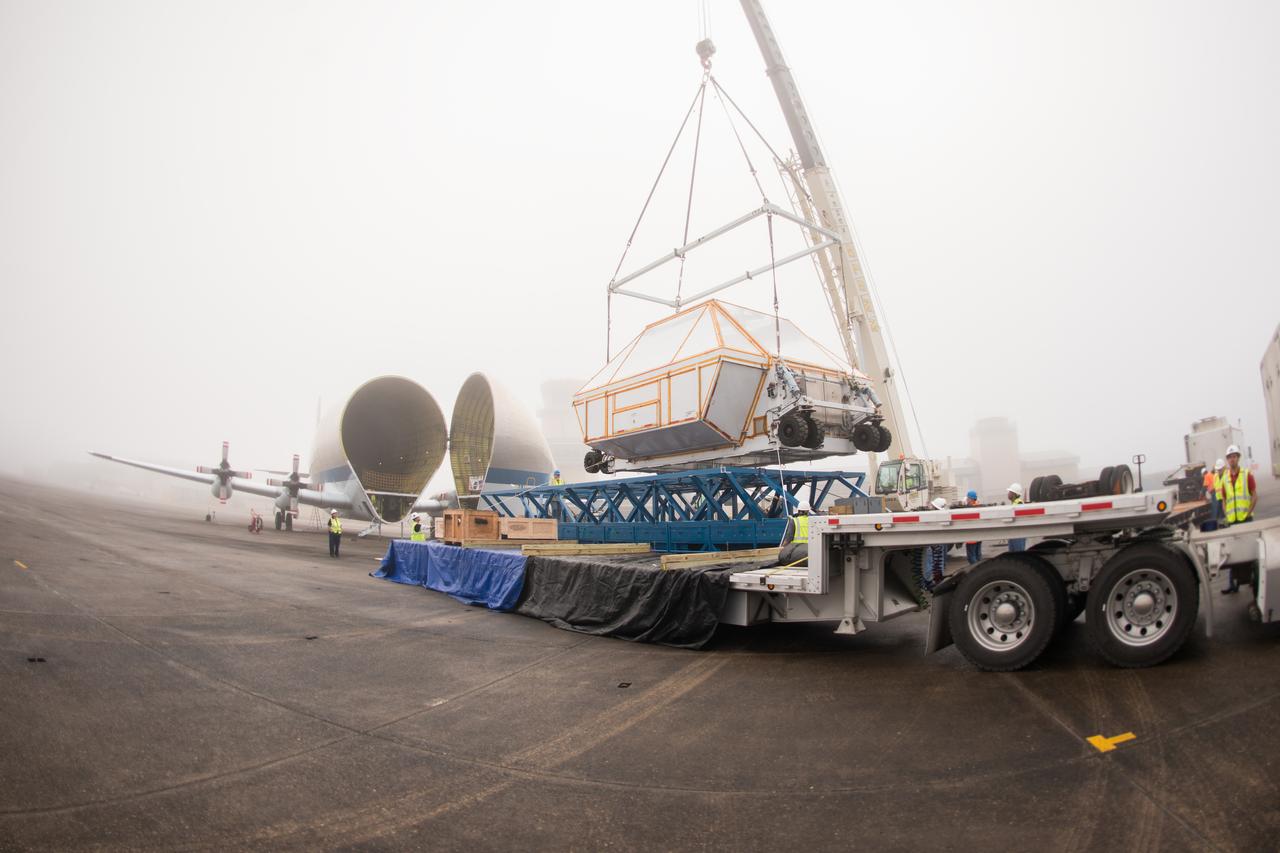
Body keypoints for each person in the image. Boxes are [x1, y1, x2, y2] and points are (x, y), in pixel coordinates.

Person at [1216, 445, 1257, 593]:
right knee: (1232, 554)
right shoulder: (1225, 478)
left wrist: (1248, 512)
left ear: (1238, 458)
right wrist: (1226, 514)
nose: (1232, 459)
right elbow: (1224, 500)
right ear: (1227, 460)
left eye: (1234, 456)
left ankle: (1254, 579)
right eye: (1230, 457)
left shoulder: (1247, 475)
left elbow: (1254, 495)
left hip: (1245, 520)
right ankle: (1233, 585)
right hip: (1232, 521)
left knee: (1250, 551)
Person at [779, 498, 812, 566]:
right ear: (808, 511)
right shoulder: (813, 521)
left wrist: (782, 548)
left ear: (798, 510)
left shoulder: (794, 521)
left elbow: (789, 537)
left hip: (796, 550)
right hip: (809, 550)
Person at [963, 490, 983, 565]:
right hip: (979, 536)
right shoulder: (978, 506)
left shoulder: (970, 508)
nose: (967, 500)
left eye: (968, 498)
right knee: (978, 555)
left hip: (971, 537)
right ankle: (980, 569)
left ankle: (975, 570)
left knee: (971, 557)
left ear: (971, 499)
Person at [1006, 482, 1026, 552]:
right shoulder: (1015, 503)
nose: (1008, 493)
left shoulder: (1019, 503)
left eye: (1010, 492)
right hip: (1014, 532)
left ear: (1014, 494)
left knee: (1019, 554)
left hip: (1018, 533)